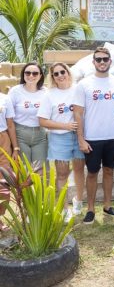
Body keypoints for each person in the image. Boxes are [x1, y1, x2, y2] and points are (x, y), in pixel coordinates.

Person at [73, 47, 114, 224]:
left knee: (109, 171)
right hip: (92, 137)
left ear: (110, 61)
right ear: (94, 62)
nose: (102, 62)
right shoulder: (84, 84)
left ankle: (107, 205)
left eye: (105, 59)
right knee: (92, 173)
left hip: (112, 135)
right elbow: (78, 114)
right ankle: (90, 209)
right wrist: (81, 139)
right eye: (99, 59)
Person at [38, 63, 85, 223]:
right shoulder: (49, 95)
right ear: (52, 77)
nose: (60, 75)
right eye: (55, 74)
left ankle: (78, 201)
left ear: (68, 72)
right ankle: (65, 209)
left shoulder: (79, 89)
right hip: (59, 138)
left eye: (62, 72)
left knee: (79, 169)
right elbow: (42, 121)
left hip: (78, 135)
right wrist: (65, 125)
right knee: (62, 173)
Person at [8, 62, 47, 164]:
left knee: (40, 170)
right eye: (27, 73)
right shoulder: (15, 91)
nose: (31, 76)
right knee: (24, 171)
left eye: (35, 73)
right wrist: (15, 146)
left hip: (40, 135)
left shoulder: (46, 92)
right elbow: (9, 120)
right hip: (20, 134)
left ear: (40, 75)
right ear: (23, 74)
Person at [0, 91, 19, 232]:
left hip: (3, 139)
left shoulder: (5, 98)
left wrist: (15, 147)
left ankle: (0, 217)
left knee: (4, 183)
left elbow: (11, 125)